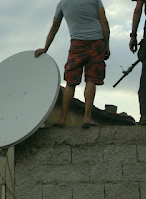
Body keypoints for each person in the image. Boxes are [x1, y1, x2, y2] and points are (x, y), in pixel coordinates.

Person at [35, 0, 110, 128]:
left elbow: (54, 27)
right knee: (91, 80)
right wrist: (107, 45)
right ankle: (87, 118)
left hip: (77, 44)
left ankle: (62, 119)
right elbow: (103, 21)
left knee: (71, 82)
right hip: (96, 43)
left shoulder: (63, 3)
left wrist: (45, 48)